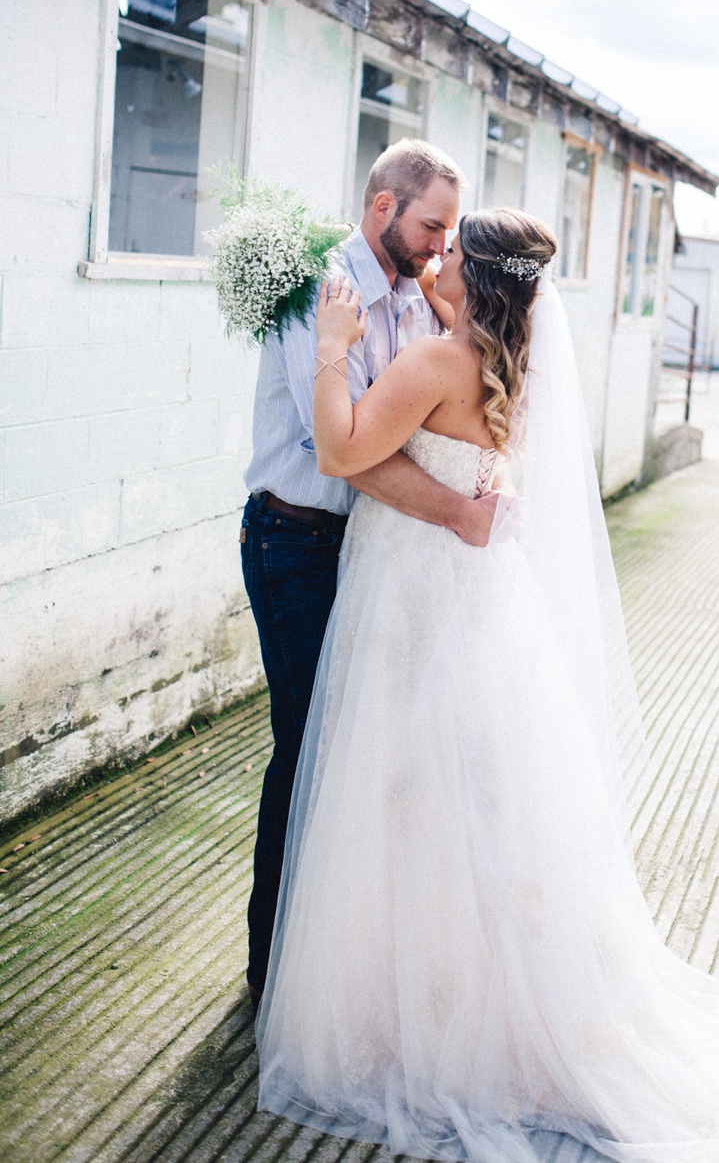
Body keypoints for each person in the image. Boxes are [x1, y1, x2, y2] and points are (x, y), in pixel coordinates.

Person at [255, 208, 719, 1163]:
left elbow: (346, 451)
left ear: (473, 276)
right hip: (473, 605)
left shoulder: (437, 362)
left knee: (406, 804)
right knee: (466, 811)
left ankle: (419, 1019)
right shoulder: (509, 365)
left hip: (415, 605)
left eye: (448, 255)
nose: (432, 262)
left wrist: (330, 349)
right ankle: (471, 1004)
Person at [240, 141, 497, 1007]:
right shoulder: (315, 293)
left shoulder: (420, 303)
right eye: (431, 226)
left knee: (366, 753)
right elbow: (339, 450)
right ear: (383, 208)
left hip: (375, 555)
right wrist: (457, 514)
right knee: (306, 748)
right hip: (298, 542)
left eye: (450, 233)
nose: (438, 245)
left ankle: (339, 962)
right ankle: (272, 970)